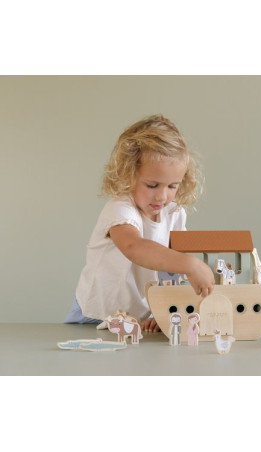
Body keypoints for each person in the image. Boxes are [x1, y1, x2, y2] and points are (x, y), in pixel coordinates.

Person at [65, 114, 215, 332]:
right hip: (97, 314)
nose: (162, 196)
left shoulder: (174, 213)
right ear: (128, 175)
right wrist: (191, 265)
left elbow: (170, 270)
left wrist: (163, 311)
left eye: (172, 186)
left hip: (139, 318)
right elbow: (134, 247)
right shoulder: (120, 209)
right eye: (152, 185)